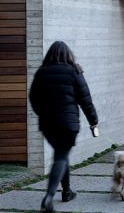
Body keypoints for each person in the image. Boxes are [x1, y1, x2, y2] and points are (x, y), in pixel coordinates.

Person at [29, 41, 99, 212]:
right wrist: (93, 121)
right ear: (68, 54)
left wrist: (42, 114)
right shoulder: (74, 71)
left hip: (48, 124)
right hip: (68, 124)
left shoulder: (41, 72)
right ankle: (49, 197)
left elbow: (33, 98)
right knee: (61, 156)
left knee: (61, 154)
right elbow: (86, 100)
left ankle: (67, 192)